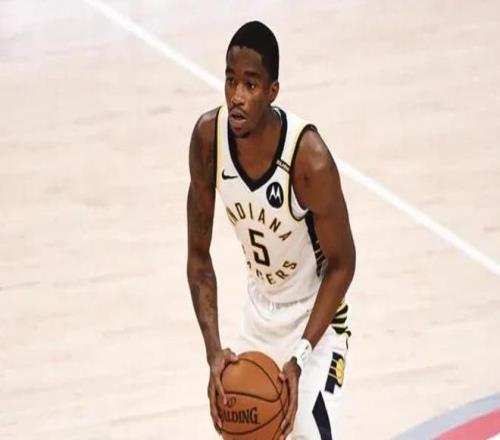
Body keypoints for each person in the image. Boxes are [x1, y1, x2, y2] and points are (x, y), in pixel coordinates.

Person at [187, 20, 356, 440]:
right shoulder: (209, 140)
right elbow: (198, 258)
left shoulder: (309, 160)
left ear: (273, 91)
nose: (237, 96)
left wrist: (300, 355)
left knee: (305, 430)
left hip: (316, 321)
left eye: (251, 84)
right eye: (231, 81)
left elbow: (343, 264)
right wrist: (213, 353)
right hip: (259, 312)